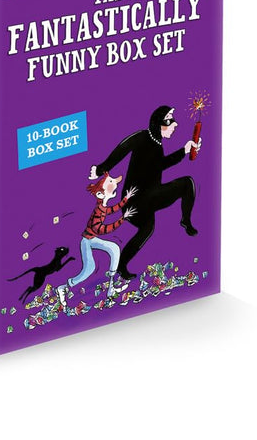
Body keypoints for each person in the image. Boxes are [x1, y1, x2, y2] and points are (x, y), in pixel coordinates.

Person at [90, 106, 201, 279]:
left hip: (147, 199)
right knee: (187, 183)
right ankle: (185, 221)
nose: (175, 124)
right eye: (169, 120)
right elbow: (122, 149)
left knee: (147, 229)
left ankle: (120, 266)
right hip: (136, 200)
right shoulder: (143, 137)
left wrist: (184, 150)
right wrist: (100, 169)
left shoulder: (157, 144)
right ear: (158, 123)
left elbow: (159, 165)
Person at [56, 173, 136, 308]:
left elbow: (112, 209)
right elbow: (103, 229)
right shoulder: (98, 211)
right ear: (100, 194)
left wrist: (126, 199)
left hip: (93, 238)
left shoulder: (102, 207)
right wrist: (122, 219)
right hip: (87, 241)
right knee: (89, 268)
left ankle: (111, 287)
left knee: (114, 248)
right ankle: (63, 287)